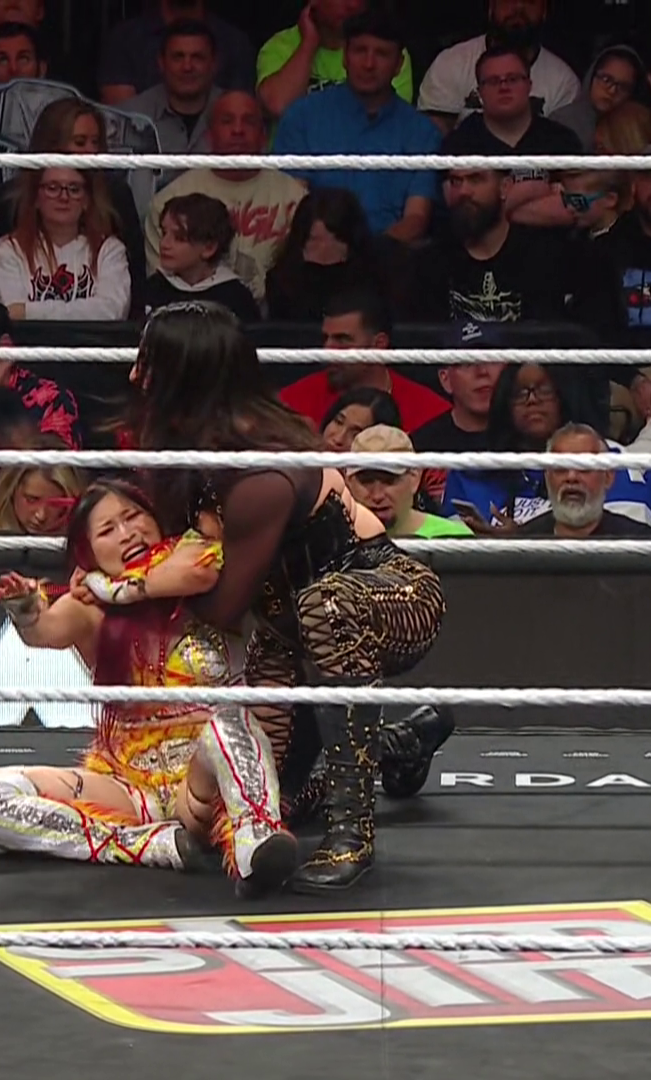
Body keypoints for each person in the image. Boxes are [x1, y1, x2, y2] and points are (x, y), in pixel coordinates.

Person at [122, 301, 446, 891]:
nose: (134, 375)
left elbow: (222, 607)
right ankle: (398, 743)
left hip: (389, 594)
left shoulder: (260, 471)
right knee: (260, 806)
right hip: (287, 629)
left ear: (183, 371)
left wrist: (143, 585)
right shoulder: (189, 449)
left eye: (149, 362)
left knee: (324, 605)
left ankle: (352, 837)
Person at [0, 478, 299, 897]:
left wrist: (111, 587)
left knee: (231, 720)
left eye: (133, 517)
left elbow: (194, 572)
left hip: (205, 781)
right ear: (89, 553)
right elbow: (45, 631)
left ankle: (256, 843)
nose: (127, 533)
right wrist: (27, 612)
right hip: (126, 787)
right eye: (107, 530)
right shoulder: (89, 607)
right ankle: (144, 846)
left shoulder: (202, 561)